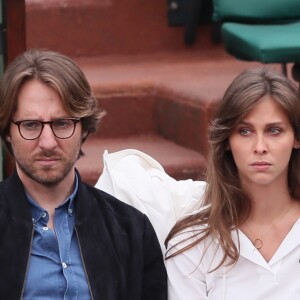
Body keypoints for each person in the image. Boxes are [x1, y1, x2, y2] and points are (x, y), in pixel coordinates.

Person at [0, 49, 167, 300]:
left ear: (84, 129)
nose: (48, 142)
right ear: (7, 133)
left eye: (62, 123)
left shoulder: (132, 230)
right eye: (31, 125)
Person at [165, 67, 300, 300]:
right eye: (245, 131)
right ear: (227, 140)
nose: (260, 146)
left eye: (274, 131)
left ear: (296, 139)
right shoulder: (191, 243)